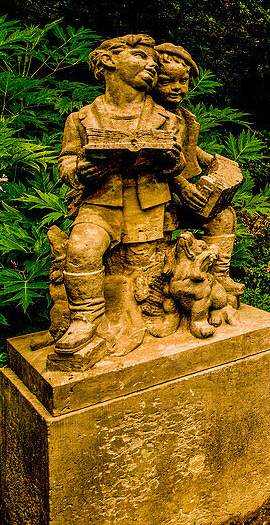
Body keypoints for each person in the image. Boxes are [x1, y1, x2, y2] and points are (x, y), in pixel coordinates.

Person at [56, 34, 184, 359]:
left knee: (142, 277)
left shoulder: (168, 119)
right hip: (100, 204)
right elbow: (66, 162)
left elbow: (179, 166)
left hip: (149, 209)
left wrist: (170, 159)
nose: (152, 64)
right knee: (82, 249)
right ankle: (85, 318)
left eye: (154, 59)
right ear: (110, 61)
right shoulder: (81, 118)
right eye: (141, 56)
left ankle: (148, 319)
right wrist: (81, 170)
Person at [151, 43, 242, 304]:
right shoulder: (148, 117)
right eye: (167, 82)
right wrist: (181, 186)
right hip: (154, 200)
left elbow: (190, 151)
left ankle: (220, 275)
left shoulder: (184, 117)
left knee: (223, 216)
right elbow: (155, 158)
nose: (177, 88)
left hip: (179, 197)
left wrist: (215, 161)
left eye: (183, 81)